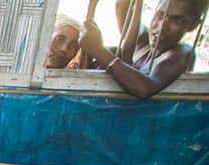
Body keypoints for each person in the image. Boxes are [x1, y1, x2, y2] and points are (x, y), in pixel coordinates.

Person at [76, 0, 206, 98]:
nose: (161, 27)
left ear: (193, 25)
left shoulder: (181, 54)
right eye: (160, 15)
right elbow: (123, 8)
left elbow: (144, 89)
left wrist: (98, 50)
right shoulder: (142, 41)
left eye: (176, 20)